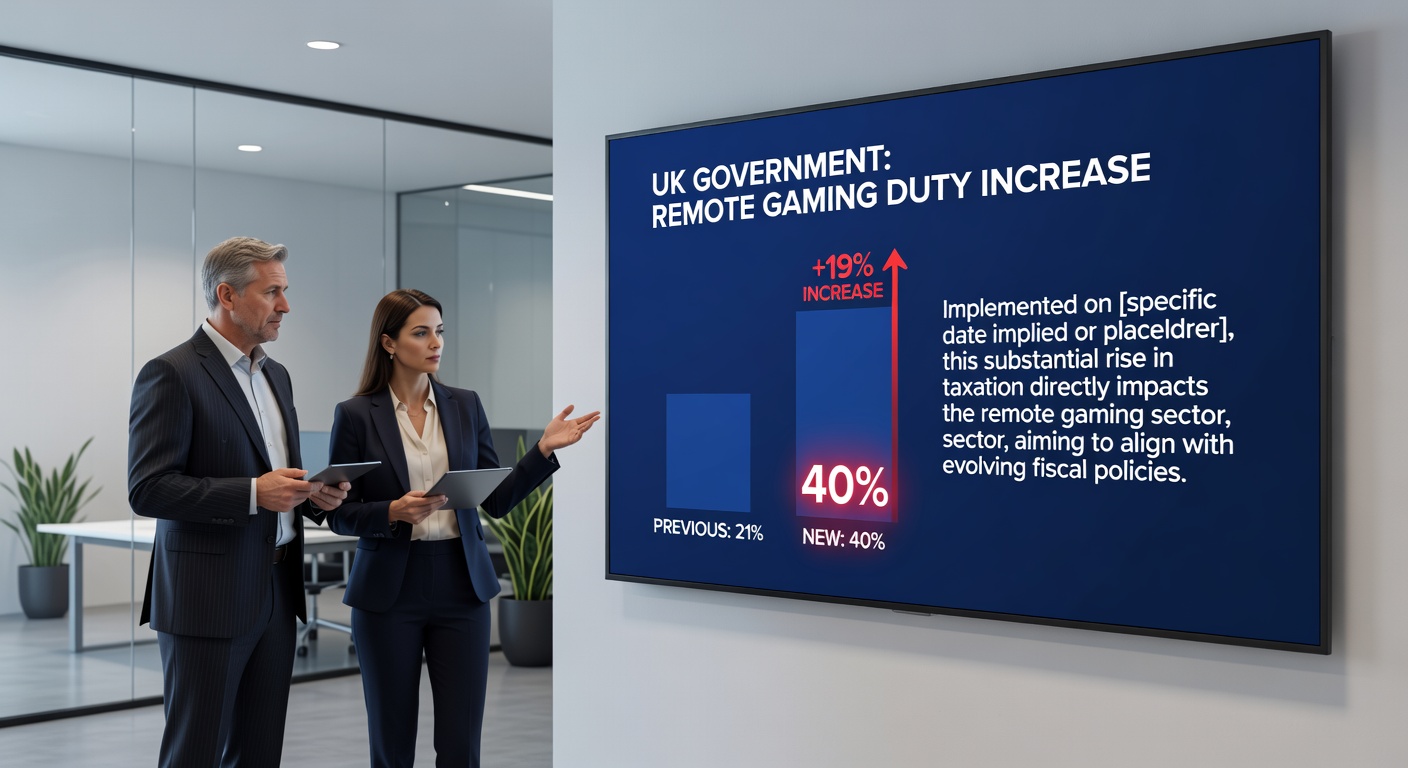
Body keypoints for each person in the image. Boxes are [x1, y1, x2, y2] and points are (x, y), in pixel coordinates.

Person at [327, 288, 598, 767]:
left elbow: (495, 499)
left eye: (440, 332)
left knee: (461, 744)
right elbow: (338, 511)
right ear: (389, 343)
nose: (436, 343)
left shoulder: (466, 406)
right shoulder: (354, 415)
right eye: (422, 332)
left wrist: (543, 452)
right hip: (389, 589)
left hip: (462, 586)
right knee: (391, 744)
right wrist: (391, 511)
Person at [127, 236, 350, 768]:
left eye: (286, 291)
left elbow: (279, 479)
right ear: (227, 295)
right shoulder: (172, 373)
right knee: (195, 753)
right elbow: (148, 488)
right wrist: (254, 493)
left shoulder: (277, 376)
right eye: (272, 292)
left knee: (259, 753)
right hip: (206, 601)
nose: (286, 306)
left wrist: (314, 497)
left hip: (274, 592)